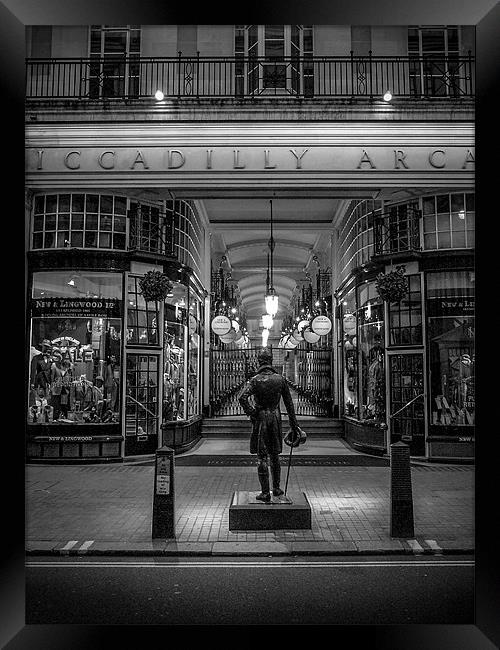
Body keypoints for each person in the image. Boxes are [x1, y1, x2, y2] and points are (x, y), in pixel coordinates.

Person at [238, 347, 304, 503]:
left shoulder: (255, 380)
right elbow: (289, 405)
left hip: (261, 418)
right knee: (275, 455)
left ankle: (265, 492)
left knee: (262, 457)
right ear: (271, 361)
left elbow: (242, 397)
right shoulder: (280, 379)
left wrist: (252, 412)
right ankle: (276, 488)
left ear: (260, 361)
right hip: (275, 418)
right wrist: (294, 425)